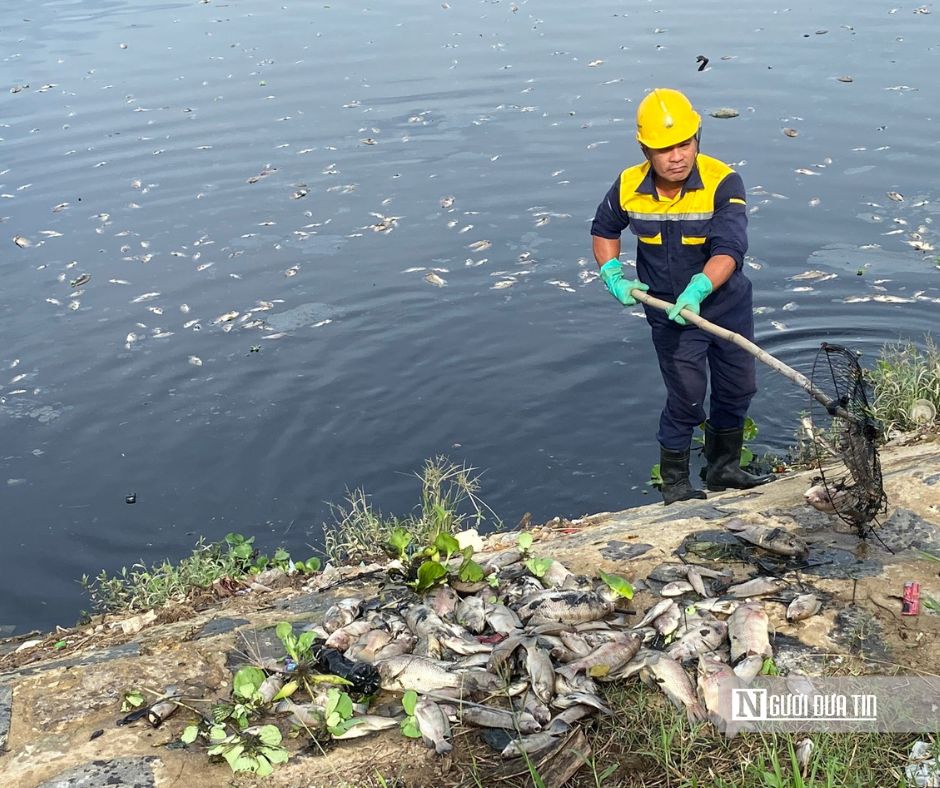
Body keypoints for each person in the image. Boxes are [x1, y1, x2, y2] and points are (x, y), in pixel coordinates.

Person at [590, 87, 773, 505]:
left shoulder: (723, 182)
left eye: (684, 143)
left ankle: (723, 469)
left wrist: (700, 287)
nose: (677, 156)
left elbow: (729, 249)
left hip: (724, 306)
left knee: (738, 387)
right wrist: (612, 273)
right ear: (644, 149)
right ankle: (675, 485)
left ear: (698, 138)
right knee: (687, 397)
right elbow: (604, 230)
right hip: (670, 315)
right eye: (663, 148)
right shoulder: (628, 186)